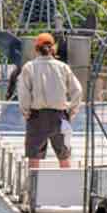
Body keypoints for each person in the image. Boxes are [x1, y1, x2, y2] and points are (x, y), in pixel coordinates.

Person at [18, 32, 82, 169]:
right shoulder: (62, 67)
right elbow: (78, 90)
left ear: (36, 49)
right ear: (53, 48)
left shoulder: (29, 67)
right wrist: (71, 111)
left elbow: (23, 94)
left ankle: (33, 189)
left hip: (36, 117)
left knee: (34, 159)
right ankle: (66, 187)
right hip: (60, 116)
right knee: (64, 157)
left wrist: (26, 112)